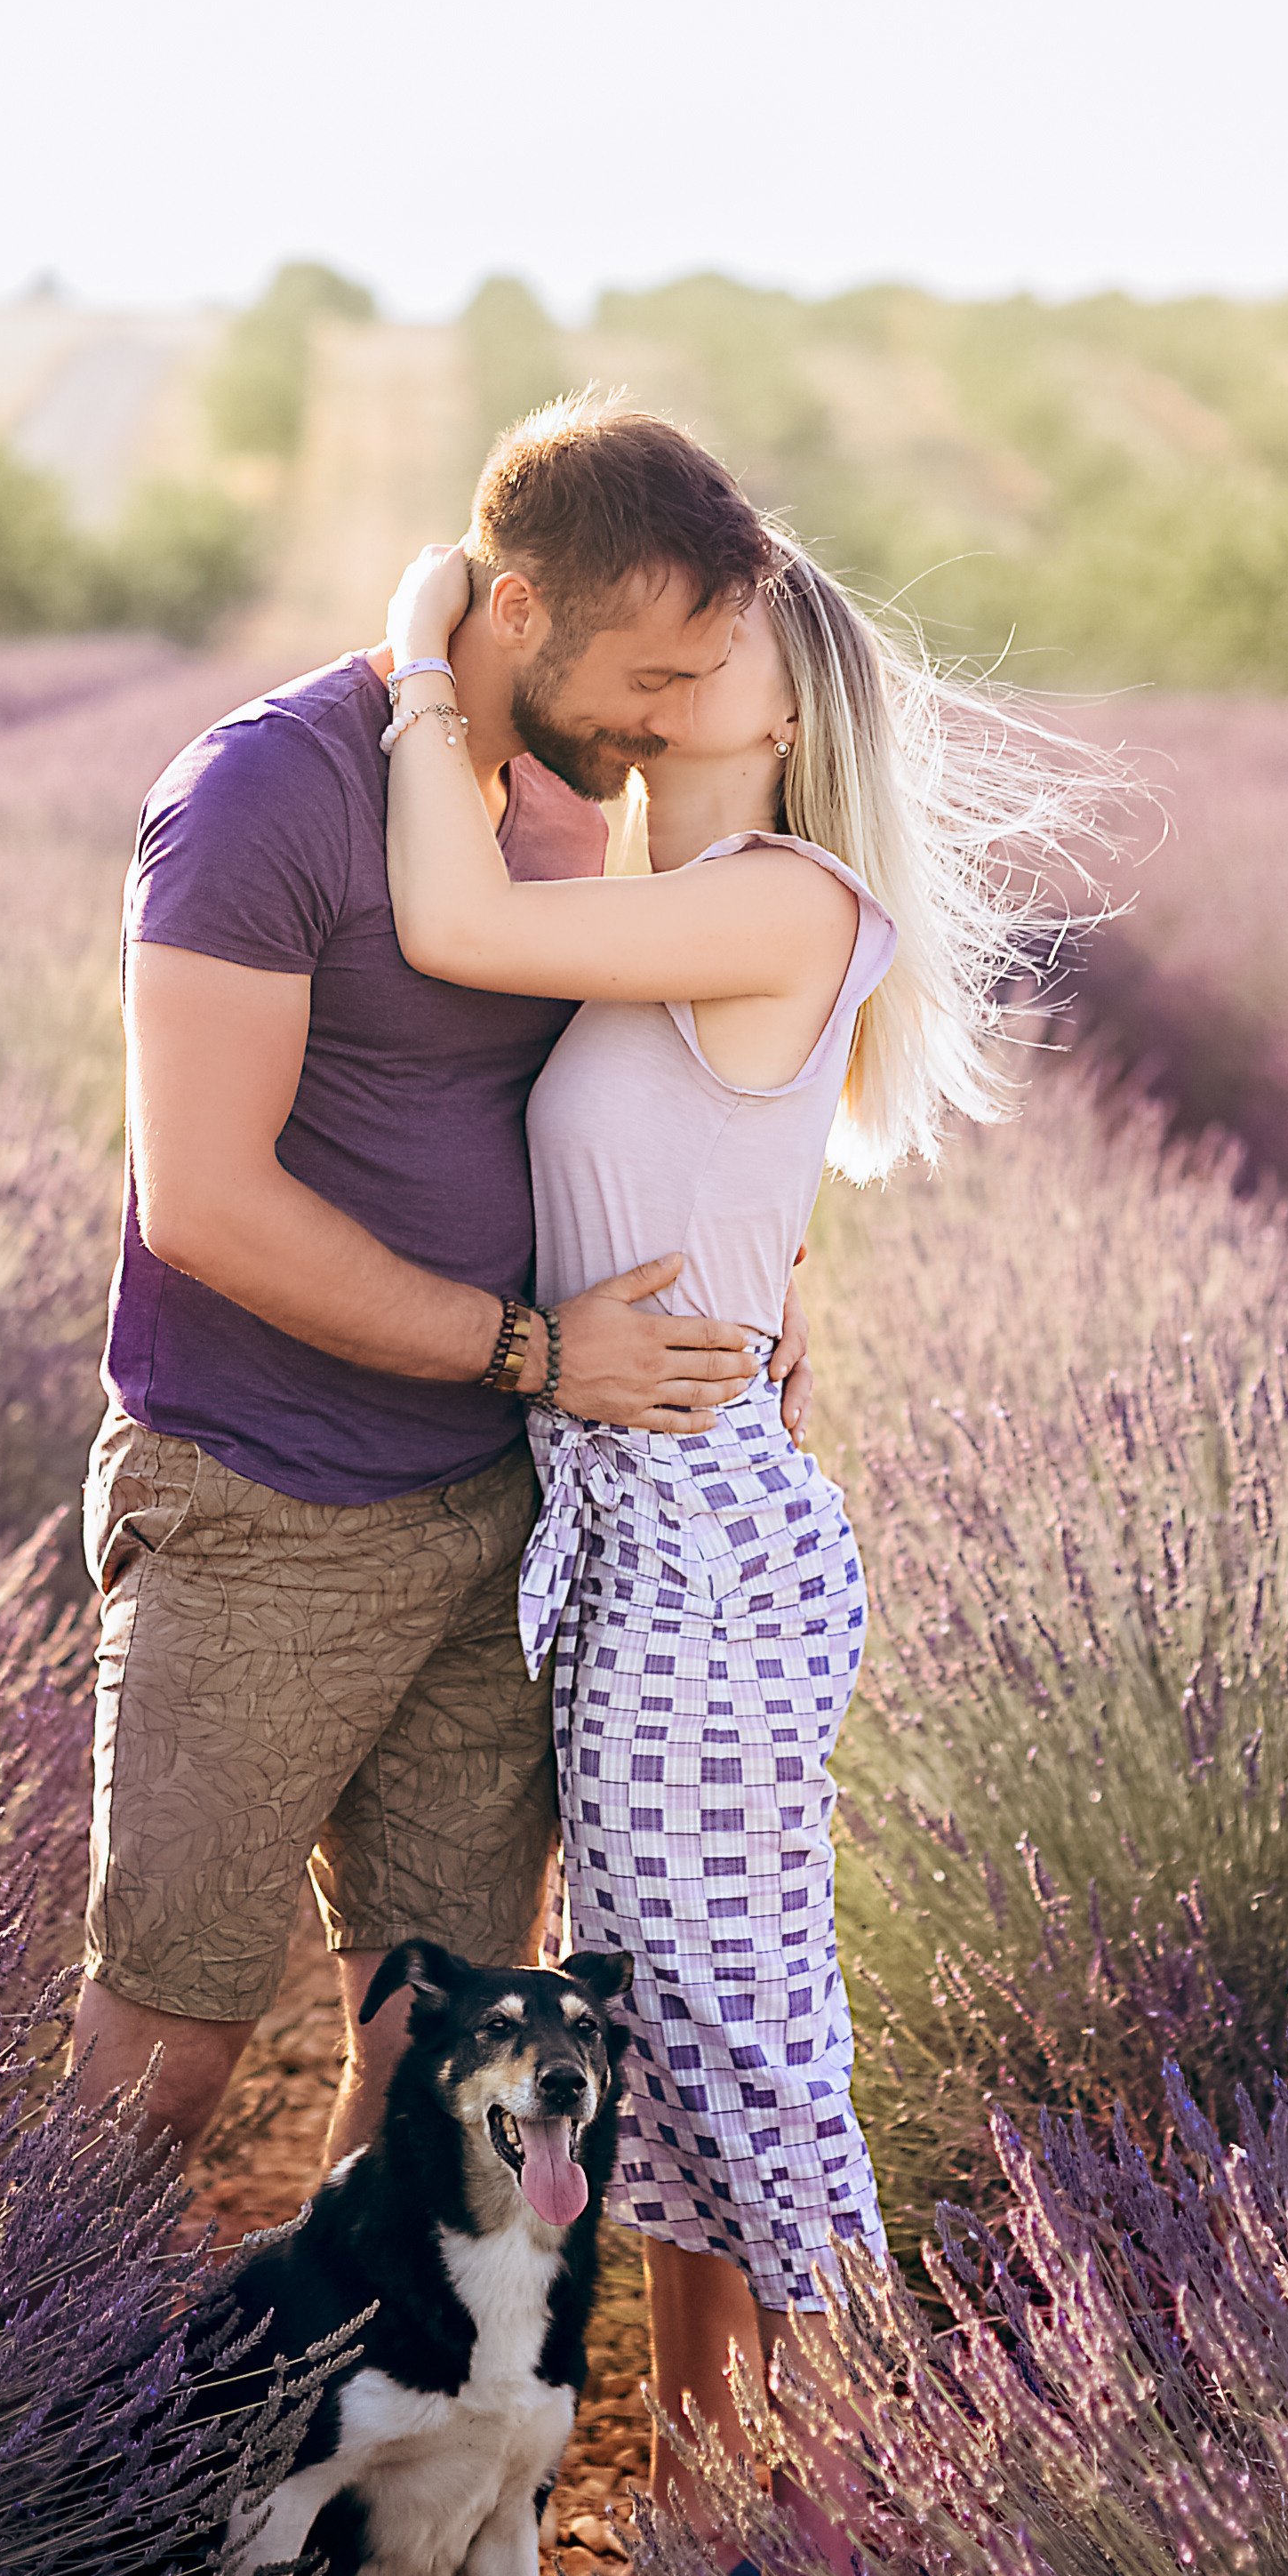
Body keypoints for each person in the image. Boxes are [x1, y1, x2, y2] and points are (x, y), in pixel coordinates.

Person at [379, 523, 1092, 2576]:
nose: (696, 636)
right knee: (672, 2066)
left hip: (703, 1555)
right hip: (636, 1546)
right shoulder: (661, 896)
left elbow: (444, 916)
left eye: (740, 623)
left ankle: (883, 2539)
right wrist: (778, 1280)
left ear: (797, 708)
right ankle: (707, 2519)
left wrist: (425, 652)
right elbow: (704, 1161)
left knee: (748, 2049)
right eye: (677, 615)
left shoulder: (785, 895)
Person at [68, 395, 828, 2173]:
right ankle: (24, 2364)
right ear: (518, 608)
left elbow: (685, 1087)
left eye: (698, 680)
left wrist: (778, 1268)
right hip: (266, 1501)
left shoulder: (584, 807)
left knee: (448, 2067)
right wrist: (537, 1349)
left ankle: (337, 2357)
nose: (669, 719)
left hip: (505, 1511)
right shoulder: (267, 792)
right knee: (168, 2047)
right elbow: (204, 1203)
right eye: (650, 676)